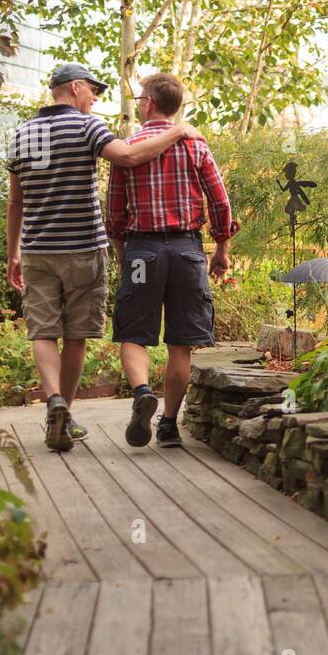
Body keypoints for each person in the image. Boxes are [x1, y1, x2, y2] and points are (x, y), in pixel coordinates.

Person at [7, 63, 205, 452]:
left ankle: (56, 406)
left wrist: (12, 251)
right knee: (76, 334)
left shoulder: (22, 133)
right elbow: (129, 157)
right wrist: (180, 129)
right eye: (93, 91)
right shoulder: (88, 126)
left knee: (43, 331)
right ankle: (65, 408)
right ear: (75, 88)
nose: (95, 98)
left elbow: (16, 200)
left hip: (36, 249)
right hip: (82, 247)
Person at [107, 73, 238, 448]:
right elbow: (220, 202)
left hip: (142, 251)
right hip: (187, 251)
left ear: (148, 103)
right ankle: (167, 425)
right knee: (181, 342)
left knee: (134, 334)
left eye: (140, 98)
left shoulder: (127, 148)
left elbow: (115, 212)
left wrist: (124, 254)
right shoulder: (196, 145)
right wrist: (222, 248)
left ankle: (143, 392)